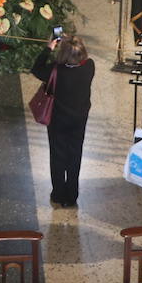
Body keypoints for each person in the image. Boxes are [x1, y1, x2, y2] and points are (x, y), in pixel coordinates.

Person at [32, 33, 95, 208]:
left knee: (57, 156)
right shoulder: (89, 66)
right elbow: (82, 59)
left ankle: (58, 194)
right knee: (75, 155)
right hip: (79, 119)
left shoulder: (55, 70)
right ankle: (72, 194)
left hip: (57, 120)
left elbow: (36, 68)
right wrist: (71, 42)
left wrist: (48, 47)